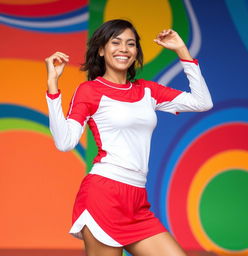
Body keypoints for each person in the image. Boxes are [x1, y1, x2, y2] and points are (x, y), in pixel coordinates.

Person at [45, 19, 213, 256]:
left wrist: (181, 51)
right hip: (103, 196)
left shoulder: (148, 91)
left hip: (137, 203)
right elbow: (65, 142)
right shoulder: (90, 91)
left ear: (136, 52)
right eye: (116, 42)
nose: (124, 48)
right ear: (101, 50)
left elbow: (202, 102)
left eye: (130, 44)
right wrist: (53, 86)